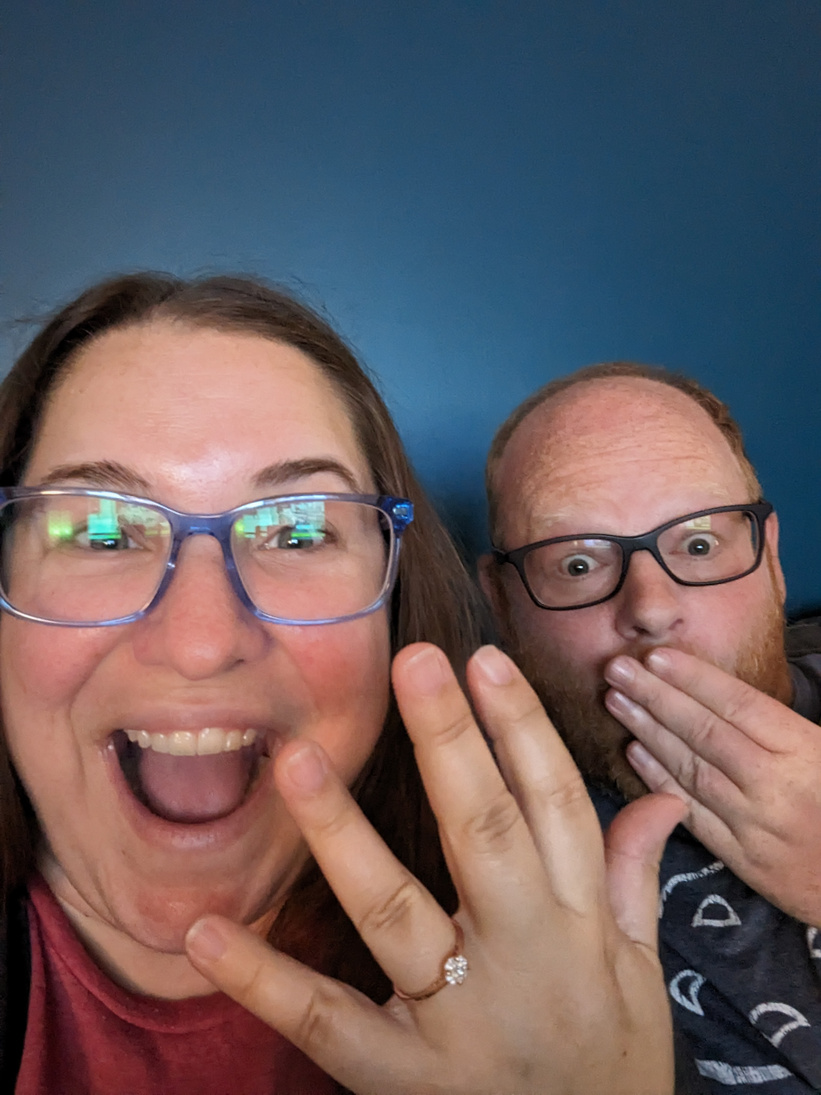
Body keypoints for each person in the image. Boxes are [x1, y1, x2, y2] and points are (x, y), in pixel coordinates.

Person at [0, 278, 684, 1094]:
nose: (200, 644)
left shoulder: (571, 972)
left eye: (296, 531)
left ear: (395, 602)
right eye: (103, 531)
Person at [480, 361, 821, 1094]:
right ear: (503, 605)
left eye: (698, 545)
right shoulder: (462, 830)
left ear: (771, 561)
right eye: (577, 562)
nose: (651, 607)